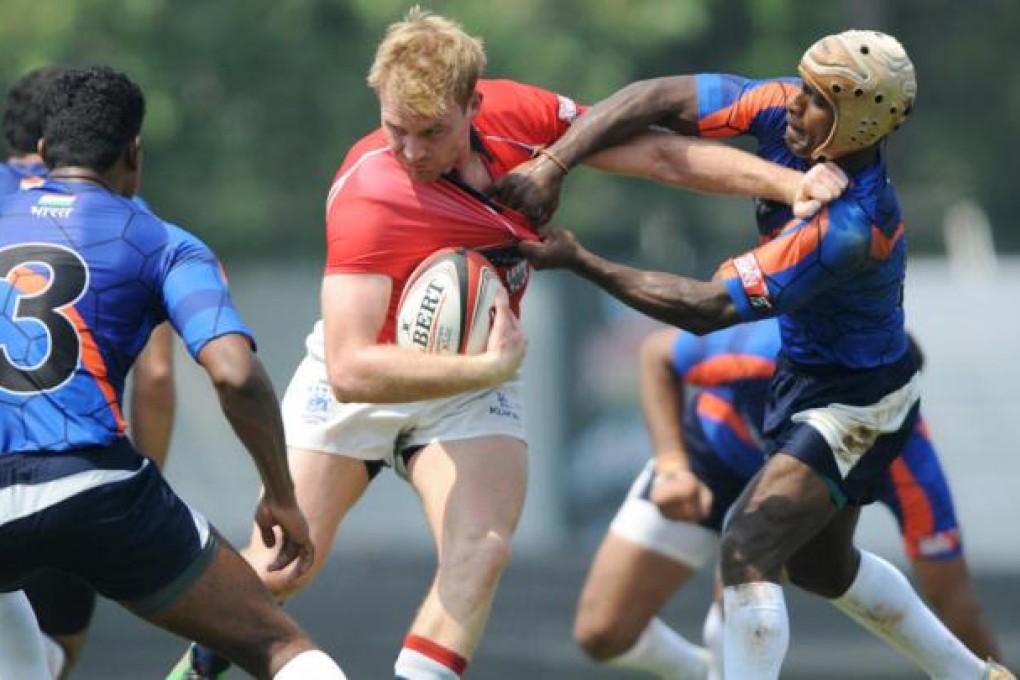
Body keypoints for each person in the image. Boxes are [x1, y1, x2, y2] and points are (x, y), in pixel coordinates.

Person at [166, 8, 855, 680]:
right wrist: (486, 364)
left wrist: (789, 181)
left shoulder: (520, 116)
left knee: (481, 550)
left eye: (430, 132)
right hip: (374, 374)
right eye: (394, 128)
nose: (409, 151)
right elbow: (349, 369)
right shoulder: (370, 197)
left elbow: (657, 154)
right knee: (279, 572)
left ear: (474, 103)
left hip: (471, 386)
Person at [504, 29, 1014, 679]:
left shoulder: (849, 226)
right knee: (821, 569)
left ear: (859, 119)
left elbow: (707, 309)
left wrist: (580, 261)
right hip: (808, 381)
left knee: (748, 545)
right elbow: (655, 96)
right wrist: (554, 163)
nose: (794, 104)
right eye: (802, 87)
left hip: (856, 401)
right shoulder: (782, 109)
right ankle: (973, 675)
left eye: (817, 99)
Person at [0, 66, 348, 679]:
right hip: (95, 485)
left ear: (45, 153)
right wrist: (281, 494)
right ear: (134, 156)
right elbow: (236, 375)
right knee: (278, 646)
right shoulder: (163, 242)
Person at [573, 320, 1002, 679]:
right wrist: (672, 467)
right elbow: (657, 354)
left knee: (744, 583)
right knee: (601, 632)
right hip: (710, 459)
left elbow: (953, 598)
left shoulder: (907, 451)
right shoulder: (772, 349)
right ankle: (704, 673)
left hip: (788, 502)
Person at [2, 65, 178, 679]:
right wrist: (143, 491)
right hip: (79, 474)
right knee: (57, 652)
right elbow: (156, 377)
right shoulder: (126, 214)